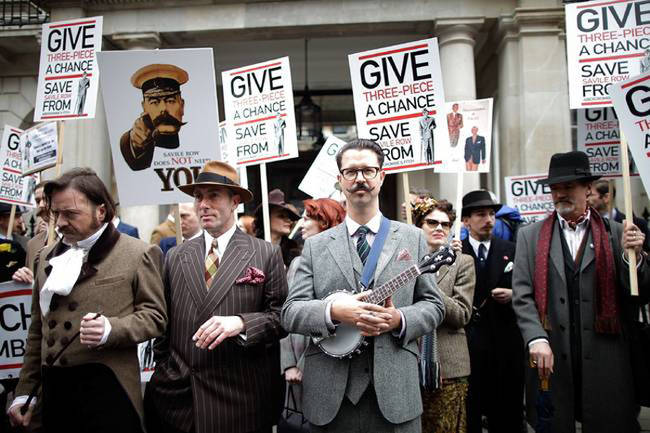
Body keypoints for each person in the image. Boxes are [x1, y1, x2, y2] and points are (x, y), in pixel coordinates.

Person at [282, 138, 445, 433]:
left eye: (368, 170)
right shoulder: (315, 246)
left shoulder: (413, 238)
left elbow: (434, 306)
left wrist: (399, 319)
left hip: (396, 394)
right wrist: (334, 312)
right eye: (351, 171)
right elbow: (291, 312)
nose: (360, 178)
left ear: (382, 176)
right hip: (330, 397)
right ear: (339, 180)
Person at [7, 168, 167, 432]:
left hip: (108, 391)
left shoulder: (138, 252)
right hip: (55, 393)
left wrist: (111, 329)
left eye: (70, 214)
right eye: (56, 213)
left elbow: (155, 317)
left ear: (100, 211)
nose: (59, 223)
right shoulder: (45, 257)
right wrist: (25, 391)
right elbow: (37, 332)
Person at [145, 160, 288, 433]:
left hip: (240, 400)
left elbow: (282, 317)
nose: (203, 204)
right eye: (198, 197)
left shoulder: (264, 253)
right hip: (180, 400)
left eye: (213, 196)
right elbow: (164, 326)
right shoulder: (176, 256)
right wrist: (165, 372)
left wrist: (242, 323)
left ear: (235, 201)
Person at [512, 151, 650, 433]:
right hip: (551, 358)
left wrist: (631, 256)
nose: (560, 193)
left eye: (568, 187)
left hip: (607, 360)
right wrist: (536, 338)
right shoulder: (530, 236)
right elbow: (522, 295)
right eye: (555, 188)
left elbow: (638, 293)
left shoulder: (617, 232)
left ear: (588, 189)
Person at [461, 190, 523, 433]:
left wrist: (513, 295)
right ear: (466, 221)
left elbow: (530, 289)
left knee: (507, 413)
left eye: (491, 214)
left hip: (506, 345)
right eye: (480, 214)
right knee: (471, 412)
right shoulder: (456, 252)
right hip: (470, 347)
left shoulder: (513, 249)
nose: (488, 219)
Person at [412, 198, 475, 433]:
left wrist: (427, 282)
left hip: (449, 367)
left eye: (446, 224)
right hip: (409, 363)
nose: (440, 228)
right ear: (418, 225)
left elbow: (461, 314)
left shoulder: (462, 262)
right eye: (432, 222)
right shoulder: (403, 263)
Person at [281, 198, 346, 414]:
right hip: (300, 353)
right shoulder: (299, 262)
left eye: (307, 218)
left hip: (334, 357)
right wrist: (290, 363)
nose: (301, 224)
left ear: (325, 222)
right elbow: (287, 313)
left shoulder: (345, 262)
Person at [120, 64, 188, 171]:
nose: (164, 109)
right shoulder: (138, 137)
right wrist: (136, 145)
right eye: (154, 102)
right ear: (144, 108)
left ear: (182, 105)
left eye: (170, 101)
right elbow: (137, 162)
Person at [589, 179, 650, 252]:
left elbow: (646, 257)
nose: (587, 199)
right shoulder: (586, 224)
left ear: (606, 197)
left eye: (591, 195)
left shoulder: (636, 224)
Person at [254, 188, 302, 267]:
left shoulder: (293, 250)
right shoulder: (251, 246)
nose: (289, 220)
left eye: (289, 217)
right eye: (281, 216)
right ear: (266, 218)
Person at [0, 203, 26, 282]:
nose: (21, 221)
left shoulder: (26, 242)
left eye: (20, 216)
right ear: (1, 219)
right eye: (16, 217)